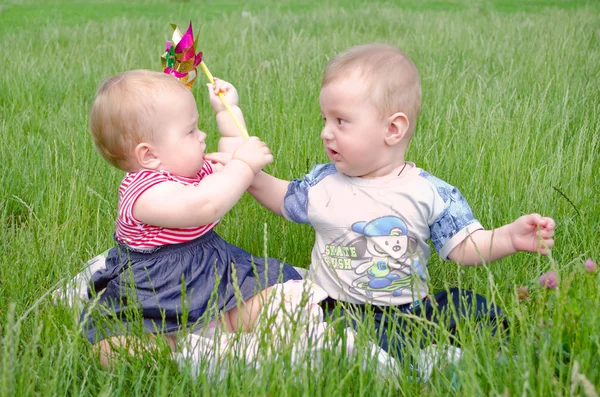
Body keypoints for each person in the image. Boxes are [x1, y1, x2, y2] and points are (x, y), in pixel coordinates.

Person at [205, 43, 556, 359]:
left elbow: (464, 247)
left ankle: (524, 355)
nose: (326, 132)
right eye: (325, 119)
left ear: (392, 129)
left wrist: (509, 238)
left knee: (465, 306)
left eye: (341, 121)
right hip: (335, 307)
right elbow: (277, 194)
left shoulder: (428, 192)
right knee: (308, 324)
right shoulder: (325, 184)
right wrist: (243, 162)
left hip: (410, 308)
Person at [83, 69, 302, 367]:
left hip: (214, 275)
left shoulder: (192, 171)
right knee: (116, 351)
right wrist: (242, 166)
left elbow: (231, 159)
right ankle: (171, 342)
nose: (202, 136)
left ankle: (217, 324)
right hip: (155, 296)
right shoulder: (143, 192)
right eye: (191, 131)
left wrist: (228, 111)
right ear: (149, 155)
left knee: (284, 299)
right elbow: (208, 204)